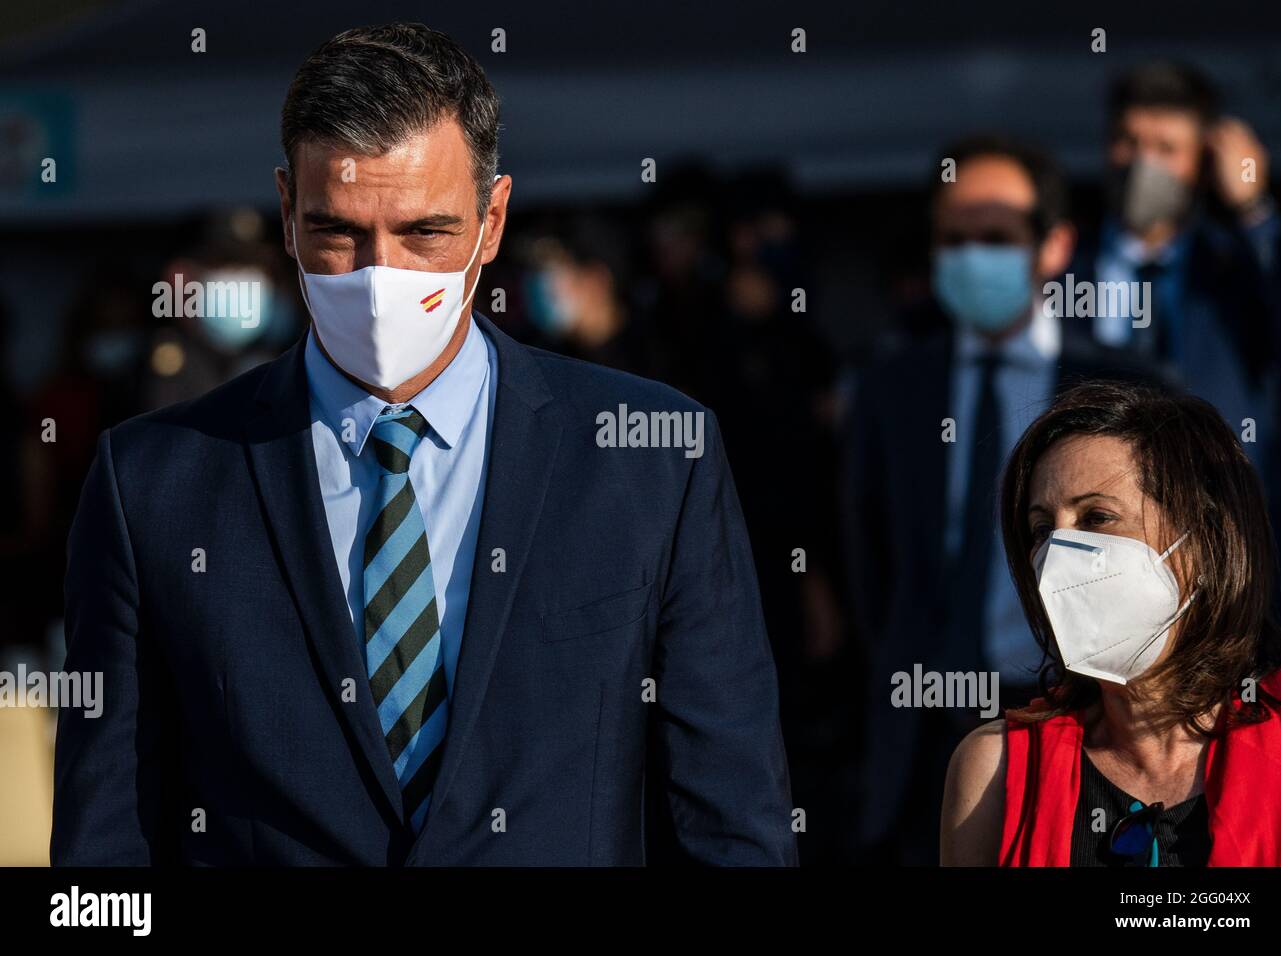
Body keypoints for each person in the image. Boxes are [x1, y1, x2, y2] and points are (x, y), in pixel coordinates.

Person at [51, 23, 796, 866]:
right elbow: (104, 845)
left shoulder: (653, 460)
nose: (381, 277)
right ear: (287, 212)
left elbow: (732, 822)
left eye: (424, 233)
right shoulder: (154, 480)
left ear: (493, 220)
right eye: (338, 232)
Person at [843, 134, 1165, 865]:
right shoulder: (893, 386)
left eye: (996, 235)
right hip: (924, 733)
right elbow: (869, 555)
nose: (970, 255)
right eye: (953, 236)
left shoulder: (1125, 389)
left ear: (1053, 245)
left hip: (1081, 723)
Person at [941, 381, 1281, 866]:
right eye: (1042, 529)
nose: (1056, 556)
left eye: (1096, 517)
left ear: (1201, 542)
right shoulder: (995, 771)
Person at [1068, 62, 1281, 474]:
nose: (1143, 163)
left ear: (1203, 163)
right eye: (1127, 141)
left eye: (1166, 149)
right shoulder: (1061, 268)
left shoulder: (1236, 270)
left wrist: (1252, 210)